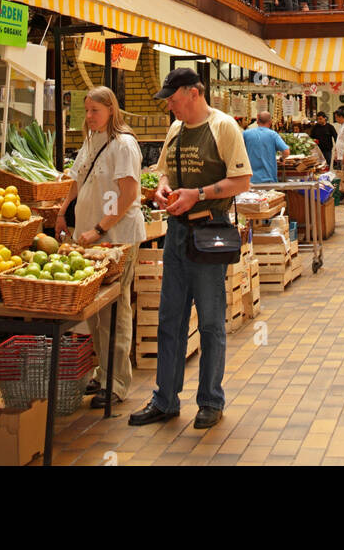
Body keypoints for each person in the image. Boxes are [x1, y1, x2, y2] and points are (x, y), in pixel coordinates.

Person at [128, 68, 252, 431]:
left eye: (174, 98)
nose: (170, 105)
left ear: (194, 92)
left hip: (209, 234)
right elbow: (164, 170)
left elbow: (242, 181)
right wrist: (163, 188)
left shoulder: (225, 126)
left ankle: (210, 400)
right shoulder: (175, 129)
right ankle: (165, 399)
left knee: (211, 321)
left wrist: (197, 194)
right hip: (177, 234)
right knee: (170, 318)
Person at [56, 87, 145, 409]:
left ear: (111, 109)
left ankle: (117, 382)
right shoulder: (90, 141)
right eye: (87, 110)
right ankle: (102, 371)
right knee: (94, 312)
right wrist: (63, 210)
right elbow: (77, 179)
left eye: (95, 110)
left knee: (115, 310)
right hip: (88, 237)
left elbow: (129, 194)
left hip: (116, 238)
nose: (90, 116)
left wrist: (99, 228)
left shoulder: (123, 145)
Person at [243, 110, 289, 184]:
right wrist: (282, 158)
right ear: (270, 122)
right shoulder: (273, 135)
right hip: (269, 179)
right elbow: (286, 151)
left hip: (250, 179)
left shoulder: (246, 134)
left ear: (257, 121)